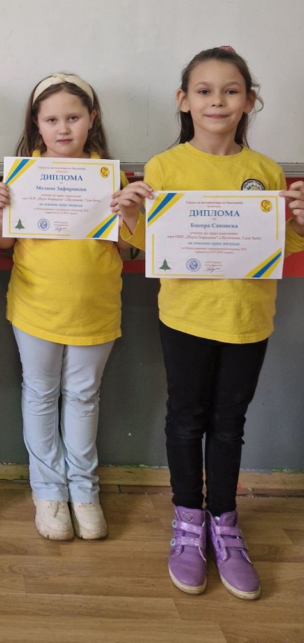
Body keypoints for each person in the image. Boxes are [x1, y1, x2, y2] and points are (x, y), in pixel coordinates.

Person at [113, 47, 304, 600]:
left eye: (230, 90)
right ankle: (188, 521)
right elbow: (145, 244)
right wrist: (130, 214)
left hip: (248, 319)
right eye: (204, 90)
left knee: (229, 423)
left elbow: (284, 246)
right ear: (184, 100)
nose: (217, 101)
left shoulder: (265, 172)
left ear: (249, 100)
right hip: (185, 317)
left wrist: (299, 222)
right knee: (185, 420)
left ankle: (225, 522)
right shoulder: (164, 168)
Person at [0, 73, 126, 542]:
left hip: (95, 309)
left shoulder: (109, 175)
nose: (63, 128)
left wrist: (128, 212)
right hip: (36, 307)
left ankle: (84, 490)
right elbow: (2, 242)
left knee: (84, 396)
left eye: (73, 117)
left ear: (92, 119)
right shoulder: (23, 174)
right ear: (36, 124)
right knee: (40, 394)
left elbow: (128, 247)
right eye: (51, 120)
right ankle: (49, 490)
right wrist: (0, 209)